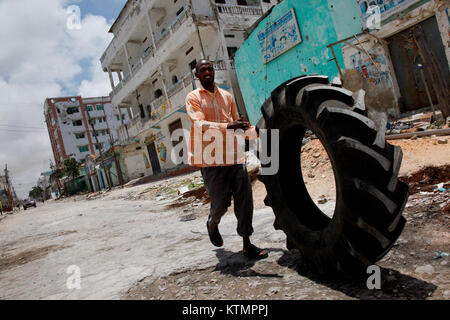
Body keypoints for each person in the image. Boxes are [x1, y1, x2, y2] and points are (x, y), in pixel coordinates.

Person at [185, 59, 268, 259]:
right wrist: (228, 126)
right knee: (221, 203)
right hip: (210, 160)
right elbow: (199, 125)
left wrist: (259, 131)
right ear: (197, 75)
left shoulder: (227, 96)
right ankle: (212, 223)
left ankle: (247, 243)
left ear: (214, 72)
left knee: (244, 201)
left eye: (210, 68)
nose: (207, 72)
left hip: (234, 158)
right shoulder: (193, 97)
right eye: (202, 70)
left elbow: (237, 126)